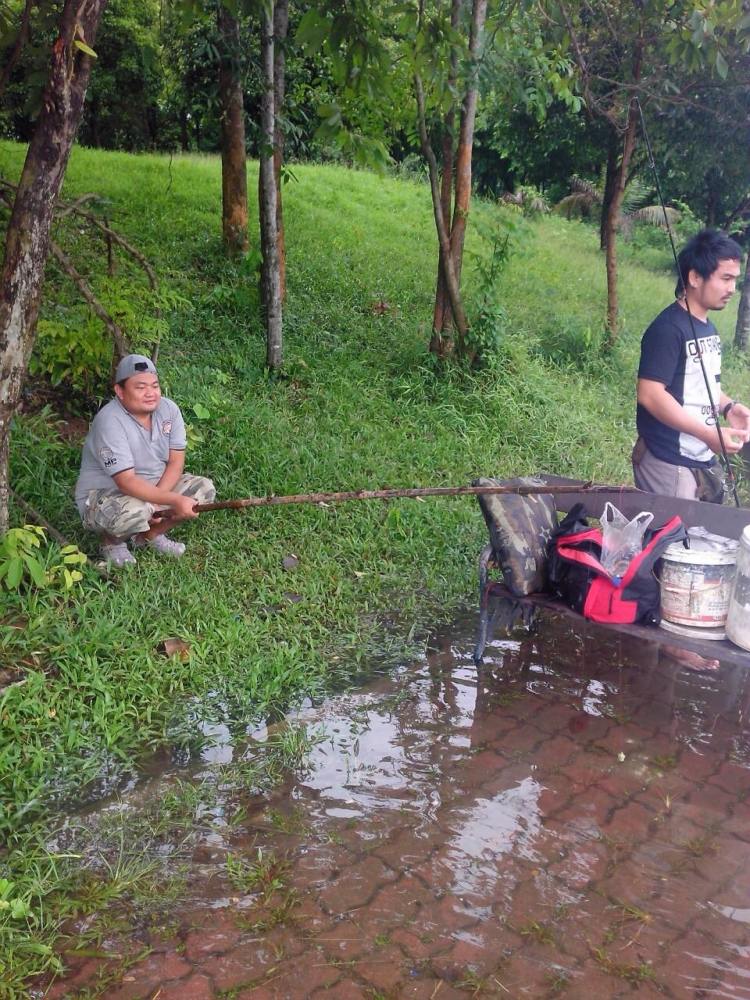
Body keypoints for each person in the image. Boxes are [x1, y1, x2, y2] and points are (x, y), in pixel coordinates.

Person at [633, 228, 750, 501]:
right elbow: (650, 395)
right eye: (725, 278)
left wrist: (729, 407)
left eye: (735, 280)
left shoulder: (708, 327)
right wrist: (708, 434)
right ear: (695, 276)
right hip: (669, 459)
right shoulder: (668, 329)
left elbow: (701, 382)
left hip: (700, 455)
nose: (732, 289)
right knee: (673, 540)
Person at [75, 354, 215, 566]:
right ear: (120, 391)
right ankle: (111, 542)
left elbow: (176, 462)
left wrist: (159, 501)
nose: (151, 393)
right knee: (137, 510)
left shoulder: (169, 410)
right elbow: (126, 481)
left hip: (153, 487)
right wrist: (172, 501)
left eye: (155, 385)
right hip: (107, 494)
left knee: (203, 490)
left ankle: (149, 536)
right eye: (140, 387)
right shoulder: (109, 420)